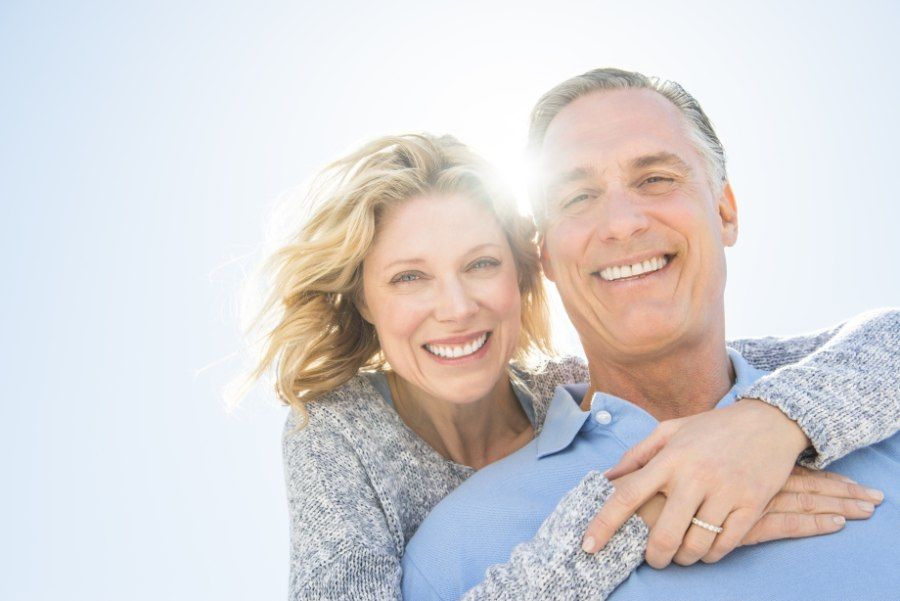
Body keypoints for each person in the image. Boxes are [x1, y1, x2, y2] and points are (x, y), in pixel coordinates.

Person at [241, 133, 897, 601]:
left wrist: (769, 421)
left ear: (526, 275)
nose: (457, 307)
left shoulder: (567, 391)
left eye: (481, 264)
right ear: (365, 299)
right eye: (410, 277)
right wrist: (633, 513)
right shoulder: (337, 431)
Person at [400, 69, 900, 600]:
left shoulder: (880, 427)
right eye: (577, 197)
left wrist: (774, 418)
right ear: (544, 254)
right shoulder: (453, 549)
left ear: (725, 211)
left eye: (655, 179)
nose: (622, 223)